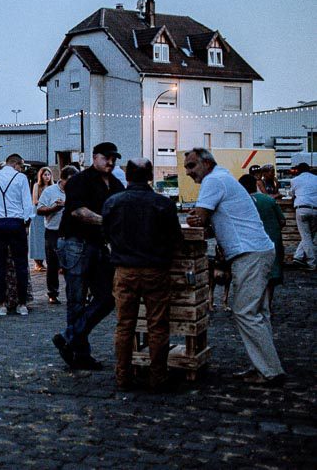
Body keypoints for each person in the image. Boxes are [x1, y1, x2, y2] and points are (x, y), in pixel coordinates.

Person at [184, 148, 285, 386]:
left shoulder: (214, 180)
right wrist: (201, 219)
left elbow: (198, 217)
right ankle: (265, 367)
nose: (188, 172)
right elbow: (206, 221)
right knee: (257, 313)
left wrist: (197, 218)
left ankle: (269, 371)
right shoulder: (222, 177)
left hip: (249, 253)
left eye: (191, 166)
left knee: (245, 311)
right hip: (256, 251)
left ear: (206, 163)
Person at [102, 158, 182, 391]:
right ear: (149, 176)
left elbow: (105, 233)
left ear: (127, 176)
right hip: (155, 270)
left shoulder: (113, 202)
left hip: (124, 270)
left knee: (124, 325)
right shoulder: (162, 204)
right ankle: (158, 377)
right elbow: (175, 239)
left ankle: (122, 375)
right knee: (157, 325)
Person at [51, 142, 125, 370]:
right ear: (95, 157)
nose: (111, 162)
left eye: (114, 158)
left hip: (98, 245)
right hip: (75, 243)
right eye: (106, 157)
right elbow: (78, 212)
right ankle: (80, 355)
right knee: (76, 300)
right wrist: (108, 222)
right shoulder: (80, 181)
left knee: (106, 298)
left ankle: (68, 336)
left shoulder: (115, 183)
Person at [0, 153, 35, 316]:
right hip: (16, 223)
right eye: (21, 166)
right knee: (21, 264)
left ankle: (2, 303)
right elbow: (27, 204)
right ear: (16, 164)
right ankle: (22, 303)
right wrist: (27, 224)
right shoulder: (21, 178)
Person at [238, 174, 284, 316]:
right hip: (272, 242)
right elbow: (282, 221)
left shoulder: (240, 203)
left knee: (252, 276)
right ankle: (267, 305)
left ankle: (254, 306)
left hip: (249, 245)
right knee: (270, 276)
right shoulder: (269, 200)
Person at [37, 165, 77, 304]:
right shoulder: (50, 191)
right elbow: (39, 209)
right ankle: (53, 293)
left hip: (72, 231)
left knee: (72, 264)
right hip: (53, 231)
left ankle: (73, 293)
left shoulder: (78, 191)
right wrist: (54, 208)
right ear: (62, 179)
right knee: (53, 264)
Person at [289, 162, 317, 270]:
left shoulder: (295, 180)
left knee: (306, 236)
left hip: (302, 209)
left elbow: (292, 194)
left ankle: (312, 263)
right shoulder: (316, 178)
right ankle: (298, 256)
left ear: (299, 170)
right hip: (315, 209)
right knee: (309, 235)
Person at [29, 167, 53, 272]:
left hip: (50, 213)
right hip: (38, 213)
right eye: (45, 175)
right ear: (41, 176)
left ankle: (50, 260)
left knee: (48, 237)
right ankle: (38, 262)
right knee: (37, 237)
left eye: (49, 175)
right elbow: (35, 200)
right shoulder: (37, 186)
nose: (47, 177)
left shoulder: (53, 186)